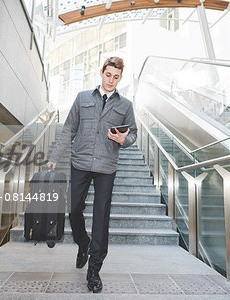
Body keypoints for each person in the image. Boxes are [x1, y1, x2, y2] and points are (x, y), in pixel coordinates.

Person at [47, 56, 137, 293]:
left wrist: (124, 139)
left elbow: (134, 134)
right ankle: (82, 242)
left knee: (101, 217)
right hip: (81, 162)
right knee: (74, 208)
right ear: (101, 72)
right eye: (108, 75)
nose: (111, 80)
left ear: (120, 78)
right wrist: (54, 157)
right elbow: (69, 129)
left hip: (107, 166)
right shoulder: (82, 97)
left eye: (116, 77)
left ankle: (94, 269)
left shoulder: (126, 105)